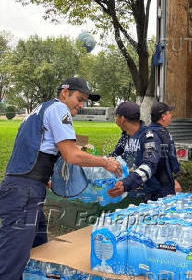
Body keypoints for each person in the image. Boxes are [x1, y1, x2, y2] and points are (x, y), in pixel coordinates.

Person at [0, 77, 122, 279]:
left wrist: (44, 177)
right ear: (64, 92)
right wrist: (104, 162)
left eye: (84, 101)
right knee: (12, 259)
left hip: (23, 187)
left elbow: (33, 149)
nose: (81, 105)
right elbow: (72, 155)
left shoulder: (39, 110)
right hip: (25, 194)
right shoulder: (59, 109)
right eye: (79, 98)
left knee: (38, 251)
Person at [108, 102, 181, 200]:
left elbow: (150, 164)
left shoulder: (150, 137)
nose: (114, 119)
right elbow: (115, 155)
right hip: (135, 193)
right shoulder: (125, 137)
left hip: (156, 195)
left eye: (116, 116)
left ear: (122, 119)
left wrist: (126, 184)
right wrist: (103, 163)